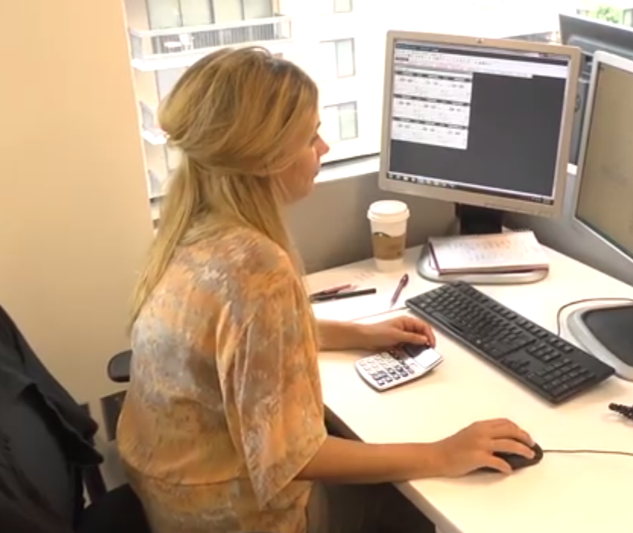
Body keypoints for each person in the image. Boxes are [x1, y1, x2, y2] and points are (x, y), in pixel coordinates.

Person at [116, 46, 537, 533]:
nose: (324, 149)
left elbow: (225, 346)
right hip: (234, 515)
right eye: (311, 135)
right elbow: (293, 459)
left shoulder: (195, 225)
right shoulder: (257, 269)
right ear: (267, 156)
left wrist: (348, 334)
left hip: (173, 493)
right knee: (423, 508)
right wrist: (444, 453)